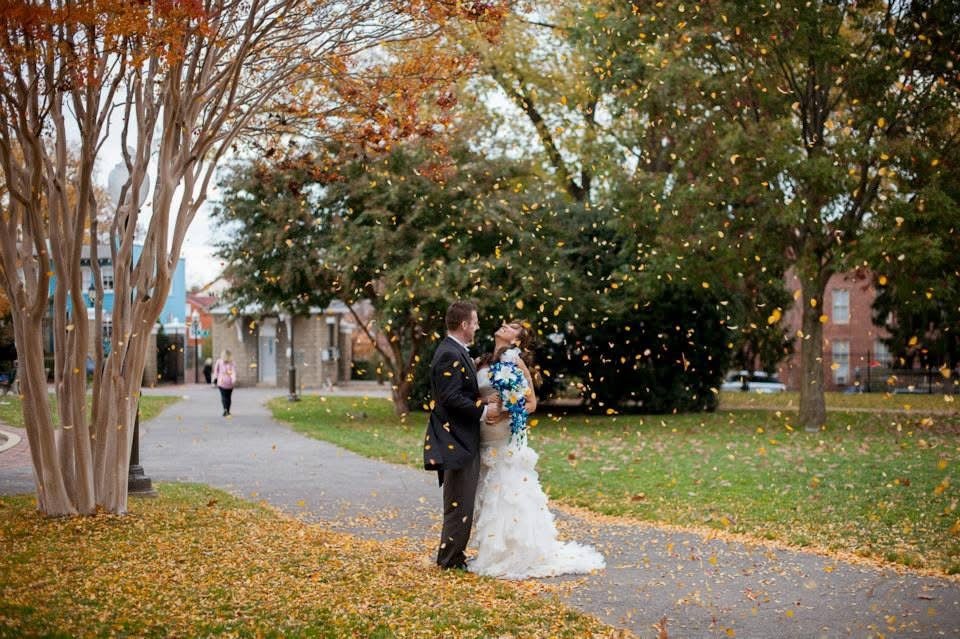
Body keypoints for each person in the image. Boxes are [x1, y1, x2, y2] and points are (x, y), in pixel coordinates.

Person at [470, 320, 605, 579]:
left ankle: (513, 554)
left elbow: (530, 403)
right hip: (482, 437)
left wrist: (504, 411)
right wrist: (486, 401)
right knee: (487, 495)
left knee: (508, 494)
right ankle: (491, 551)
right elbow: (473, 396)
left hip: (504, 438)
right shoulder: (480, 361)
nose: (504, 326)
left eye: (512, 327)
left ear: (517, 341)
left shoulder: (516, 363)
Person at [423, 301, 502, 570]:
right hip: (456, 439)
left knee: (462, 500)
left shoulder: (456, 351)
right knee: (459, 501)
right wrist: (483, 409)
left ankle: (453, 556)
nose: (478, 326)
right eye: (475, 322)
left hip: (460, 438)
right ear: (465, 325)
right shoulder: (449, 353)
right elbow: (451, 397)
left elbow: (460, 392)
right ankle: (450, 560)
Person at [213, 350, 236, 416]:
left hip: (221, 382)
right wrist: (233, 380)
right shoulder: (232, 363)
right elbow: (233, 372)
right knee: (228, 397)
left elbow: (216, 371)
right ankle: (228, 411)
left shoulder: (219, 361)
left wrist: (215, 379)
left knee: (223, 397)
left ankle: (225, 410)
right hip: (230, 383)